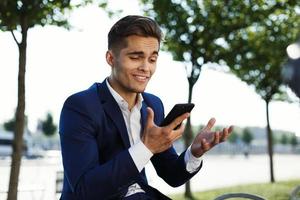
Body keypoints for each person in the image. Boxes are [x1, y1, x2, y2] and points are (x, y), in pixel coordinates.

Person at [59, 15, 234, 200]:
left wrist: (194, 152)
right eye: (136, 57)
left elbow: (171, 174)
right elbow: (85, 189)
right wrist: (146, 147)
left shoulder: (153, 105)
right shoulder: (80, 107)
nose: (146, 68)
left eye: (152, 59)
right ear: (111, 58)